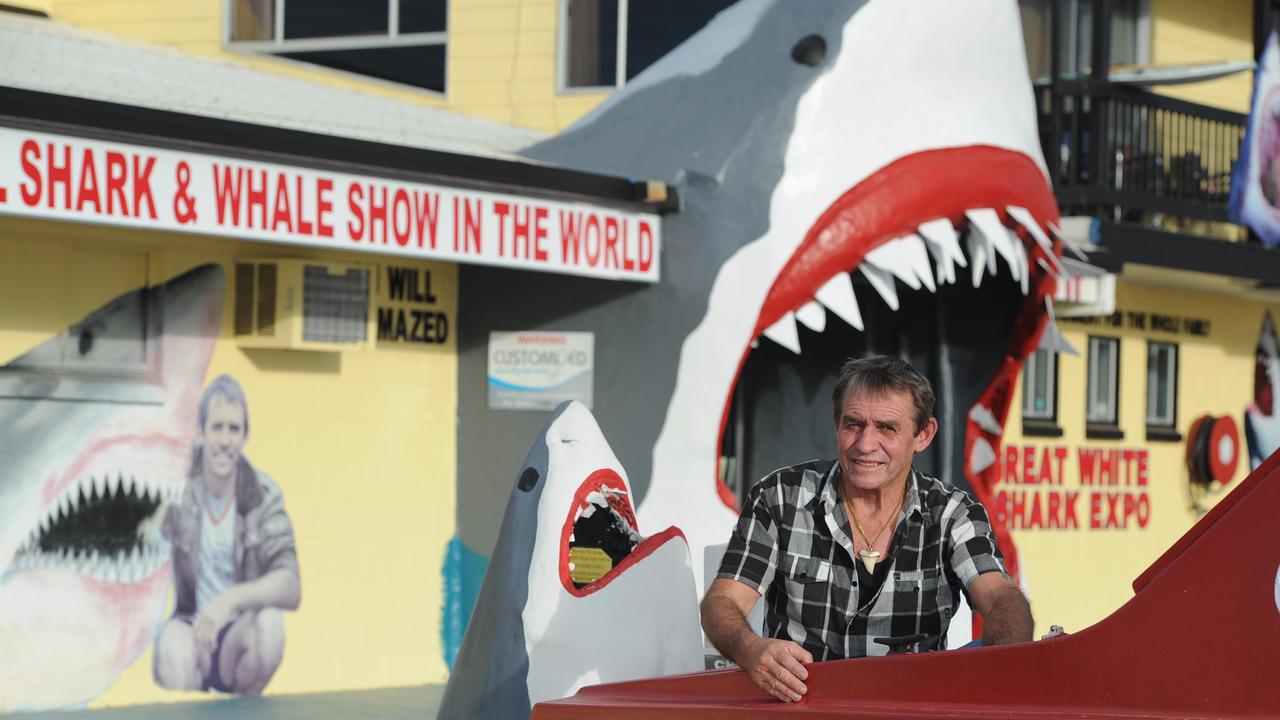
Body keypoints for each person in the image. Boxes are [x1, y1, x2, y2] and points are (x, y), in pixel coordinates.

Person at [701, 356, 1032, 703]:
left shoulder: (953, 513)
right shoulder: (780, 497)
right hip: (803, 707)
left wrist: (1002, 670)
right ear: (836, 425)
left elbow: (1002, 599)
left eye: (887, 428)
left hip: (913, 708)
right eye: (853, 425)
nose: (865, 444)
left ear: (923, 435)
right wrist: (752, 650)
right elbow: (721, 601)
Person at [153, 374, 300, 695]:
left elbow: (290, 584)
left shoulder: (263, 494)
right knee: (169, 650)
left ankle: (241, 713)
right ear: (201, 432)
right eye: (217, 427)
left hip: (235, 634)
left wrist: (227, 602)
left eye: (234, 429)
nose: (224, 439)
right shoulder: (175, 487)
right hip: (190, 625)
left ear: (245, 436)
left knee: (271, 627)